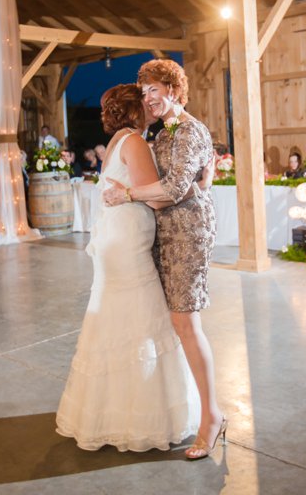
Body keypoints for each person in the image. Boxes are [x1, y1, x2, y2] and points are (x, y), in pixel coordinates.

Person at [57, 83, 199, 453]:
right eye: (145, 100)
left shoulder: (121, 140)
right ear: (134, 109)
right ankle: (140, 416)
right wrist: (195, 184)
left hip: (115, 240)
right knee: (141, 318)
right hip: (127, 243)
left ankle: (111, 412)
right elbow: (155, 197)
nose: (151, 104)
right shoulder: (134, 141)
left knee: (115, 319)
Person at [104, 59, 226, 460]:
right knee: (175, 323)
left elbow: (172, 188)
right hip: (165, 233)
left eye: (154, 89)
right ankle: (183, 407)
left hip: (188, 235)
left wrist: (126, 194)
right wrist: (198, 184)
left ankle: (212, 419)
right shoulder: (162, 133)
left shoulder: (190, 129)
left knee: (186, 323)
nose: (148, 99)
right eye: (144, 92)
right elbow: (175, 184)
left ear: (174, 89)